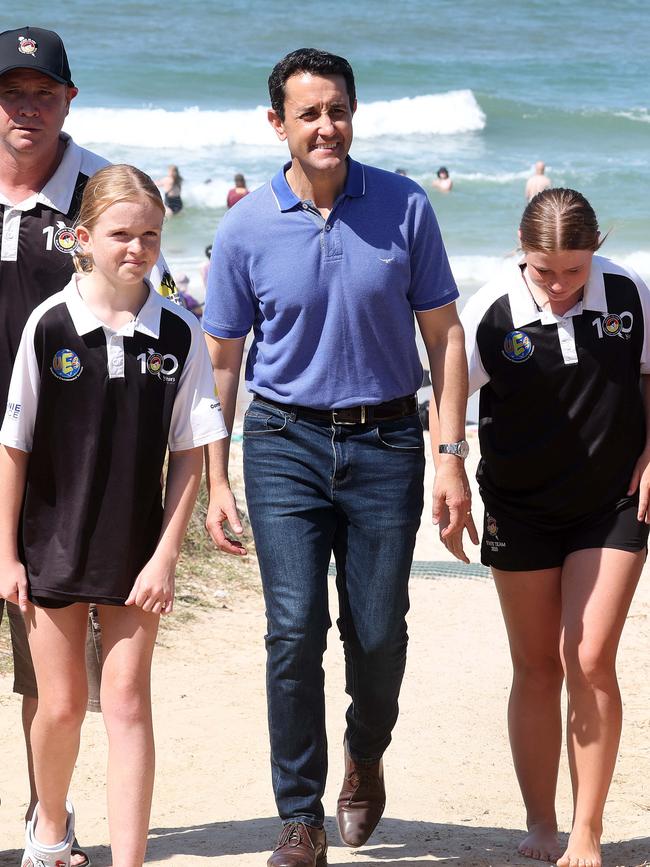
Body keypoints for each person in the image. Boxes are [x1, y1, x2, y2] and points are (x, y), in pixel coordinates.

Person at [203, 47, 475, 867]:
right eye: (309, 112)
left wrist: (449, 452)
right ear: (277, 122)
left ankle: (365, 751)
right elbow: (221, 359)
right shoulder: (244, 223)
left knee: (378, 632)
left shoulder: (404, 205)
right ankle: (300, 816)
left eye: (338, 110)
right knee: (292, 631)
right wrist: (216, 472)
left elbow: (446, 335)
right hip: (282, 441)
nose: (326, 125)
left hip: (389, 439)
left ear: (353, 114)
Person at [0, 163, 227, 867]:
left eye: (151, 235)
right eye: (122, 234)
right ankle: (48, 831)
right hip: (51, 543)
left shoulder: (180, 333)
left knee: (127, 703)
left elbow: (190, 452)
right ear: (83, 238)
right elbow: (13, 444)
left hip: (137, 549)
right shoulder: (48, 325)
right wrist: (5, 552)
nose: (137, 248)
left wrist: (165, 556)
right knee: (61, 705)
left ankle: (128, 859)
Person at [0, 25, 179, 865]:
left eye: (41, 92)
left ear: (69, 99)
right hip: (17, 453)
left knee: (52, 682)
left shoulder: (103, 200)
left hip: (57, 471)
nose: (24, 108)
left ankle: (50, 823)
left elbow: (166, 315)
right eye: (10, 93)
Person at [459, 188, 650, 867]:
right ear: (521, 250)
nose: (562, 285)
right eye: (546, 270)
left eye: (574, 269)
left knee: (589, 655)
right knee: (536, 664)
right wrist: (448, 470)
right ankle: (541, 821)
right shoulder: (489, 309)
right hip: (521, 506)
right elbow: (449, 394)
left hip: (612, 503)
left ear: (596, 250)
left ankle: (588, 829)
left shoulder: (630, 291)